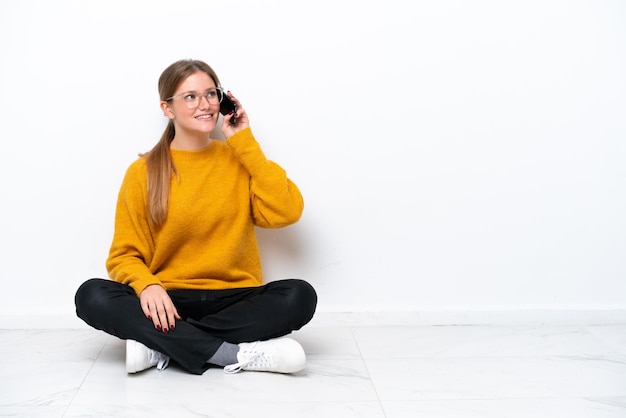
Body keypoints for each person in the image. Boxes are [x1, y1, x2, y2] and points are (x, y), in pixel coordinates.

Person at [75, 59, 317, 375]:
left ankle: (161, 345)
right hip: (166, 302)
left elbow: (287, 211)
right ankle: (231, 354)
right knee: (91, 294)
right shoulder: (143, 172)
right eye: (190, 97)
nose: (205, 105)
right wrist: (147, 286)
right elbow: (124, 256)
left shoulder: (238, 158)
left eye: (211, 94)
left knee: (299, 295)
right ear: (167, 108)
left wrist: (243, 140)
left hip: (234, 298)